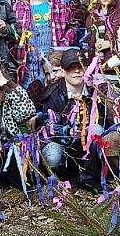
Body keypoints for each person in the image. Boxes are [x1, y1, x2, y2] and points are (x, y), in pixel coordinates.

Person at [39, 49, 111, 191]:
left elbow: (103, 120)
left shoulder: (96, 92)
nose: (77, 71)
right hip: (61, 141)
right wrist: (70, 131)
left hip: (87, 143)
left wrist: (87, 131)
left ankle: (89, 178)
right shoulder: (52, 94)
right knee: (53, 156)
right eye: (72, 68)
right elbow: (48, 127)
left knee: (96, 131)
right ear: (63, 71)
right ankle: (62, 178)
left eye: (80, 67)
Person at [13, 0, 75, 87]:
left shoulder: (59, 3)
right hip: (28, 65)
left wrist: (62, 47)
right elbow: (15, 37)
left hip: (55, 63)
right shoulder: (19, 6)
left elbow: (72, 27)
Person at [84, 0, 120, 64]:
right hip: (96, 68)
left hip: (119, 65)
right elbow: (86, 41)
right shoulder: (92, 15)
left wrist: (111, 44)